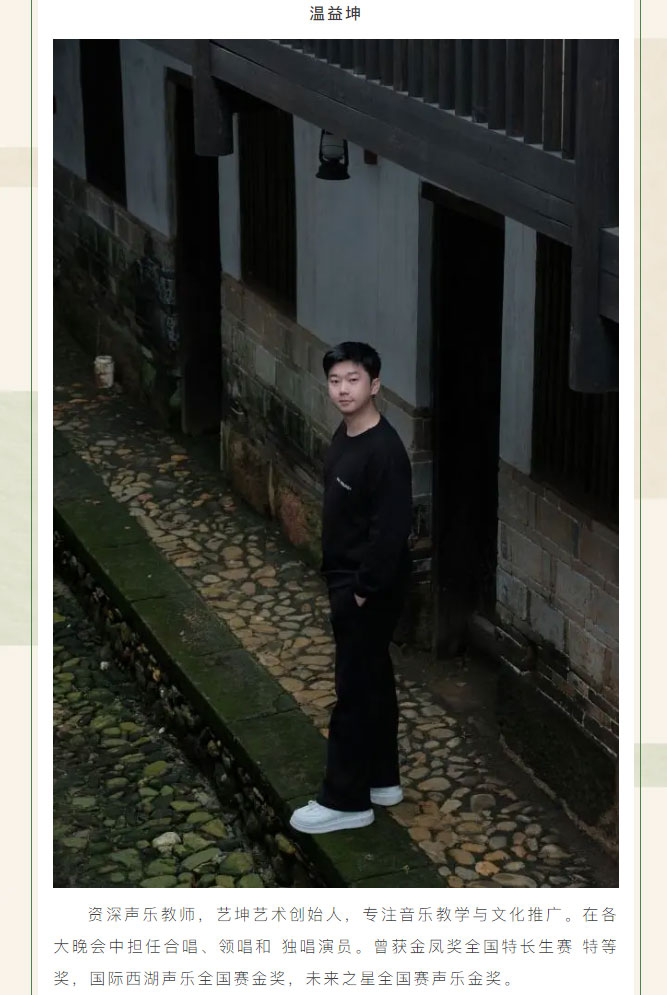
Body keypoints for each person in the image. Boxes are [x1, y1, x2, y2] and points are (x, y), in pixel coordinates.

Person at [289, 341, 413, 834]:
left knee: (353, 690)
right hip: (348, 580)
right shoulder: (346, 434)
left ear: (375, 385)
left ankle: (345, 801)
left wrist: (361, 590)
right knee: (374, 679)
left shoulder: (385, 452)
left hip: (366, 589)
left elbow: (391, 531)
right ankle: (382, 780)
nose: (342, 389)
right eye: (335, 380)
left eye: (353, 380)